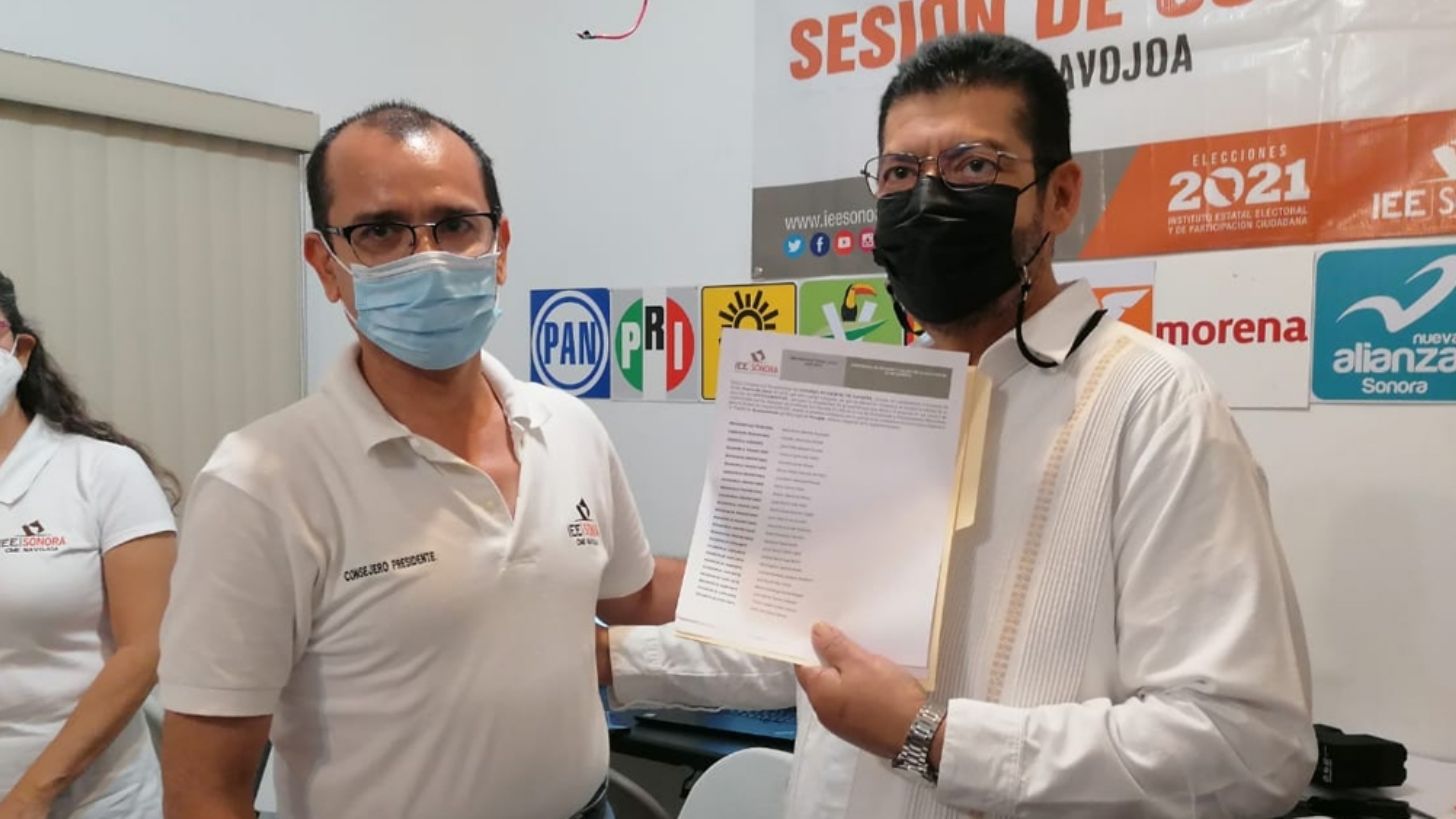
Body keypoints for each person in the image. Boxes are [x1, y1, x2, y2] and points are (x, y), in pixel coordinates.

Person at [602, 33, 1317, 818]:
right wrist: (606, 657)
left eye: (974, 166)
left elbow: (1247, 747)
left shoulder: (1152, 403)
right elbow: (811, 644)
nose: (928, 199)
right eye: (901, 173)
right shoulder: (874, 402)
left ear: (1060, 196)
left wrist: (932, 738)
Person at [158, 102, 682, 819]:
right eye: (380, 231)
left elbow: (633, 595)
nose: (428, 257)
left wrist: (808, 581)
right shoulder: (259, 483)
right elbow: (203, 790)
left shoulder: (569, 427)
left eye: (456, 224)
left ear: (500, 246)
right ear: (326, 265)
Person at [0, 272, 179, 819]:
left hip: (92, 800)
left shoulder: (102, 473)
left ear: (20, 350)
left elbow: (145, 648)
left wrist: (31, 795)